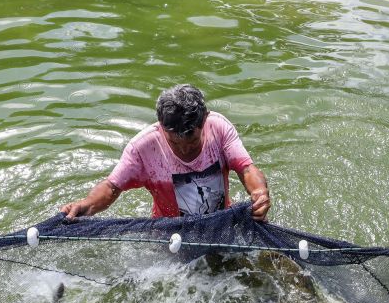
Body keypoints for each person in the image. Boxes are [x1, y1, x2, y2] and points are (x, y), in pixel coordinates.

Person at [61, 84, 271, 221]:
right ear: (161, 126)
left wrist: (259, 193)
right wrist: (86, 205)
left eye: (192, 141)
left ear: (204, 119)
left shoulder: (218, 128)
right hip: (169, 233)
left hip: (220, 222)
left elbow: (247, 170)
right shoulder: (142, 148)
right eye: (174, 142)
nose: (183, 148)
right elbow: (111, 187)